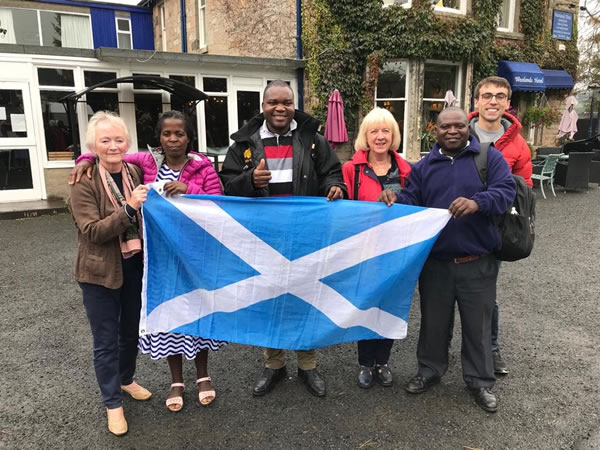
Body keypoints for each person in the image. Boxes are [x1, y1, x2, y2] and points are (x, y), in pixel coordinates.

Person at [69, 110, 225, 412]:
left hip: (195, 255)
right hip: (160, 258)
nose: (173, 139)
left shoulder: (202, 166)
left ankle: (202, 375)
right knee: (169, 316)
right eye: (167, 133)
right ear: (158, 138)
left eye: (179, 133)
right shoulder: (147, 163)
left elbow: (218, 203)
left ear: (189, 138)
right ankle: (175, 381)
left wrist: (190, 189)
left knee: (197, 313)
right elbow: (108, 156)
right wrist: (85, 159)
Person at [379, 107, 515, 413]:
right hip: (436, 263)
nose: (452, 131)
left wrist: (478, 202)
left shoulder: (489, 158)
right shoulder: (424, 166)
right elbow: (413, 201)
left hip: (478, 260)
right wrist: (395, 198)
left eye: (459, 126)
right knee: (434, 323)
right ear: (435, 130)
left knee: (478, 326)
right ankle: (430, 370)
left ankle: (480, 381)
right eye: (445, 127)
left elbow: (506, 193)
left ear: (468, 127)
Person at [219, 80, 347, 398]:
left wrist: (335, 187)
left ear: (294, 105)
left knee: (305, 297)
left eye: (287, 102)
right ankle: (274, 364)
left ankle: (307, 364)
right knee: (270, 301)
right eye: (273, 102)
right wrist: (249, 180)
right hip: (263, 239)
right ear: (263, 106)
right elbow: (226, 186)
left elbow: (332, 172)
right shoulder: (243, 145)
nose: (280, 108)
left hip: (304, 236)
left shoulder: (312, 140)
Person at [69, 111, 151, 436]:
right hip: (98, 272)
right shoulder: (83, 180)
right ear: (93, 146)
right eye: (105, 140)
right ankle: (113, 403)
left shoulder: (133, 171)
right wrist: (129, 208)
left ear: (127, 143)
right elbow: (92, 231)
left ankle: (126, 379)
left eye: (119, 139)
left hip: (133, 266)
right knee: (105, 341)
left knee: (130, 332)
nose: (113, 146)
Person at [341, 107, 411, 388]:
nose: (380, 137)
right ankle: (365, 363)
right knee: (366, 306)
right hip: (365, 253)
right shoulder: (352, 169)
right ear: (365, 136)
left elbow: (416, 204)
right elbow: (344, 211)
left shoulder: (406, 169)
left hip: (397, 252)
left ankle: (383, 361)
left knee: (390, 306)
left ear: (393, 135)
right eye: (374, 131)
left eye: (386, 131)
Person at [467, 75, 533, 375]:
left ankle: (490, 349)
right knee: (447, 293)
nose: (493, 101)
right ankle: (442, 349)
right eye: (487, 95)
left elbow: (525, 189)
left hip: (494, 229)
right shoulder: (458, 132)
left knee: (486, 294)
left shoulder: (518, 145)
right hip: (459, 223)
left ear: (508, 103)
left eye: (500, 96)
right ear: (477, 101)